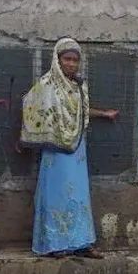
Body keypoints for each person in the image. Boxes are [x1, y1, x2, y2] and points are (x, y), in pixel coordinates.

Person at [20, 38, 119, 258]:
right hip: (55, 148)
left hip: (77, 146)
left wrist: (103, 114)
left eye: (75, 60)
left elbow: (80, 112)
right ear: (58, 59)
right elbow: (30, 105)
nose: (72, 64)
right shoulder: (47, 85)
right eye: (67, 59)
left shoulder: (79, 85)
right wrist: (32, 134)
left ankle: (82, 242)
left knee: (79, 194)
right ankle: (54, 244)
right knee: (55, 194)